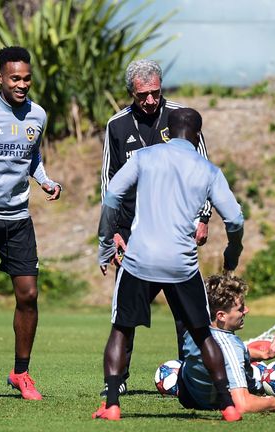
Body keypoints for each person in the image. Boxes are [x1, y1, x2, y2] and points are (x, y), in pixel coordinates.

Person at [93, 108, 245, 421]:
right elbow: (235, 218)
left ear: (167, 132)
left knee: (121, 329)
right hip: (182, 264)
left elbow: (112, 197)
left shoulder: (145, 157)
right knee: (203, 334)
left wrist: (106, 242)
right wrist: (233, 251)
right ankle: (229, 406)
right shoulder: (208, 170)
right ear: (198, 135)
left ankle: (111, 405)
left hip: (140, 260)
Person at [99, 59, 213, 395]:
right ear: (130, 93)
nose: (150, 100)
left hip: (177, 228)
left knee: (187, 312)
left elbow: (202, 168)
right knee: (127, 312)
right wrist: (115, 230)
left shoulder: (181, 118)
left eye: (155, 93)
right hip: (135, 235)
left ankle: (191, 380)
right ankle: (116, 383)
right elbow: (109, 182)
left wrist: (203, 217)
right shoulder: (117, 125)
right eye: (142, 95)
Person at [0, 46, 62, 401]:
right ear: (0, 77)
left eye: (27, 78)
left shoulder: (38, 115)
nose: (22, 84)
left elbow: (33, 157)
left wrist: (44, 180)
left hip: (17, 218)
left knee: (28, 295)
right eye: (15, 78)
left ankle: (21, 373)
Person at [178, 273, 275, 414]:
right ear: (221, 316)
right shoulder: (230, 346)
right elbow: (242, 405)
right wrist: (272, 402)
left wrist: (264, 354)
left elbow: (227, 356)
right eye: (240, 308)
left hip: (191, 397)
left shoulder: (193, 332)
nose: (246, 310)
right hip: (213, 402)